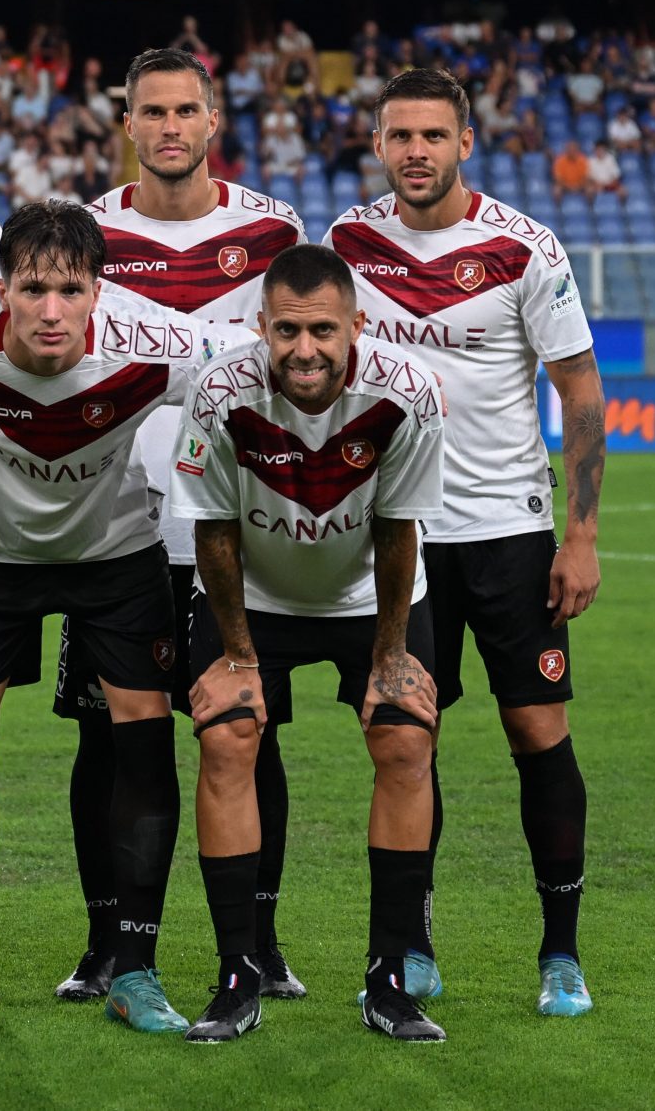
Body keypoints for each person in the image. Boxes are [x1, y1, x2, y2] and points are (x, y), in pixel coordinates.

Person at [0, 200, 236, 1040]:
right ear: (0, 288)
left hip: (115, 558)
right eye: (32, 288)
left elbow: (252, 370)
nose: (50, 310)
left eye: (70, 290)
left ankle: (134, 969)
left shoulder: (156, 343)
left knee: (142, 743)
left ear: (98, 292)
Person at [328, 67, 604, 1017]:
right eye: (400, 135)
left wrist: (581, 534)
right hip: (396, 538)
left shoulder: (525, 247)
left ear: (465, 143)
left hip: (509, 532)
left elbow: (580, 391)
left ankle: (560, 952)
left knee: (538, 730)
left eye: (433, 135)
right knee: (406, 739)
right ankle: (411, 943)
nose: (417, 152)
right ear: (377, 142)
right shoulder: (347, 244)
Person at [50, 48, 308, 1005]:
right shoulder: (88, 233)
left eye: (184, 111)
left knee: (249, 734)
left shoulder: (273, 230)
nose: (168, 127)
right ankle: (107, 943)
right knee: (108, 741)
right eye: (151, 111)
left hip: (235, 530)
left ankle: (261, 942)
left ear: (212, 121)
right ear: (127, 124)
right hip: (114, 524)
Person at [169, 243, 449, 1045]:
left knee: (405, 741)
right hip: (253, 593)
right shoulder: (220, 388)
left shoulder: (409, 392)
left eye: (323, 330)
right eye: (287, 330)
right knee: (227, 741)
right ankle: (237, 976)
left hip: (369, 593)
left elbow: (398, 527)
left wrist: (390, 656)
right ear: (261, 325)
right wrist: (239, 656)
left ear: (356, 326)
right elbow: (213, 528)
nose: (304, 349)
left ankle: (390, 980)